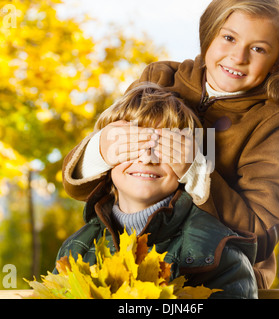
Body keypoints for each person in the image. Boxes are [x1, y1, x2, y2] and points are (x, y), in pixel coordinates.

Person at [61, 0, 279, 289]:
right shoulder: (160, 78)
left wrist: (198, 171)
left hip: (217, 273)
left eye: (259, 48)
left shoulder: (274, 121)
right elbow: (88, 184)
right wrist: (102, 147)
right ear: (209, 34)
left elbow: (262, 231)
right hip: (136, 253)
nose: (238, 56)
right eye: (229, 37)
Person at [55, 83, 258, 299]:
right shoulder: (76, 250)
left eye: (165, 148)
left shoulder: (218, 254)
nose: (147, 158)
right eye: (132, 145)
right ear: (105, 157)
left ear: (186, 165)